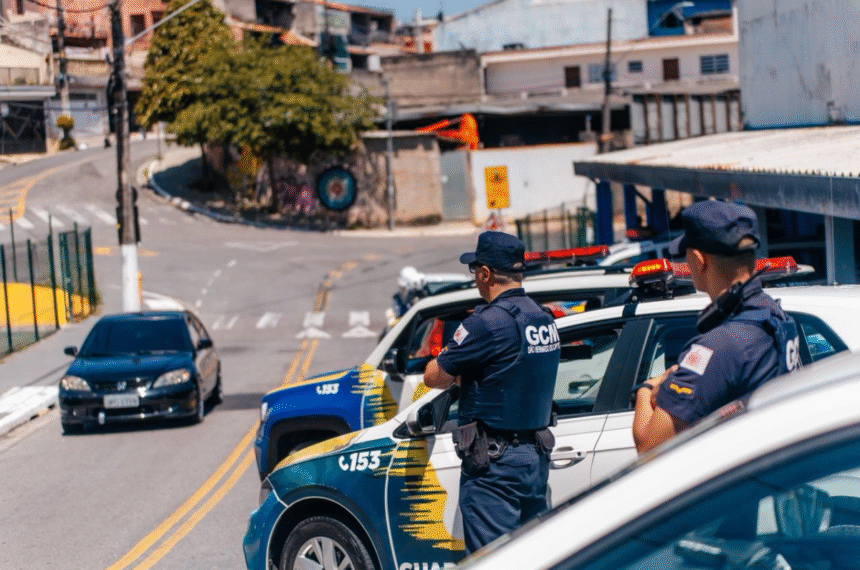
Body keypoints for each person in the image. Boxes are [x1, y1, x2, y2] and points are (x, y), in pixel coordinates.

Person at [423, 231, 560, 555]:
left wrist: (458, 375)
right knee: (533, 557)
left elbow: (433, 376)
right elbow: (515, 372)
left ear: (485, 274)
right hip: (534, 460)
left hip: (495, 467)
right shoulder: (543, 318)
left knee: (494, 560)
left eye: (475, 272)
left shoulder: (486, 323)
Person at [632, 200, 801, 453]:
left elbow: (648, 447)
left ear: (699, 260)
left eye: (686, 254)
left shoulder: (719, 347)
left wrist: (648, 388)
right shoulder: (775, 315)